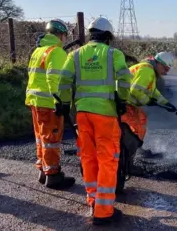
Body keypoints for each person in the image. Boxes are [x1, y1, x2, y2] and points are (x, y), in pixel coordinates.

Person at [55, 17, 132, 226]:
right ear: (107, 36)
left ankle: (93, 200)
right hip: (105, 114)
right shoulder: (113, 54)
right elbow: (125, 79)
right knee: (108, 159)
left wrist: (63, 104)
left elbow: (63, 81)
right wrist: (122, 99)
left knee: (88, 157)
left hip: (82, 113)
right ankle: (104, 211)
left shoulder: (75, 55)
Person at [25, 19, 75, 189]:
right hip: (48, 103)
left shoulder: (38, 51)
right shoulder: (57, 52)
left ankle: (43, 170)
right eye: (65, 36)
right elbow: (55, 79)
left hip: (35, 102)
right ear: (61, 35)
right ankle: (53, 176)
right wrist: (60, 101)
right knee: (51, 139)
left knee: (41, 138)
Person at [121, 51, 177, 142]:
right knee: (136, 121)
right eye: (165, 69)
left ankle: (136, 145)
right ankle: (133, 146)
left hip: (126, 101)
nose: (165, 73)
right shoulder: (147, 69)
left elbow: (153, 91)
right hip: (121, 101)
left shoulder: (150, 70)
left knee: (141, 118)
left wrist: (166, 103)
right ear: (159, 63)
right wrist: (147, 101)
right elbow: (135, 89)